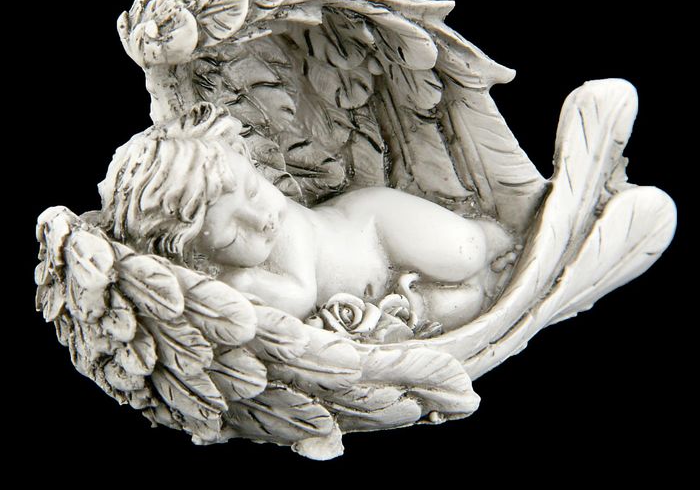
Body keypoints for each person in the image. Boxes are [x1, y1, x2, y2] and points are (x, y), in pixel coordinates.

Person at [99, 102, 515, 331]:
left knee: (464, 252)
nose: (260, 219)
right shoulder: (218, 260)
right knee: (454, 304)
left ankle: (493, 239)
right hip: (381, 286)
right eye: (229, 237)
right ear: (194, 255)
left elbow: (300, 295)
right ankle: (477, 288)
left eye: (253, 189)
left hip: (375, 225)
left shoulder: (288, 230)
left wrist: (243, 282)